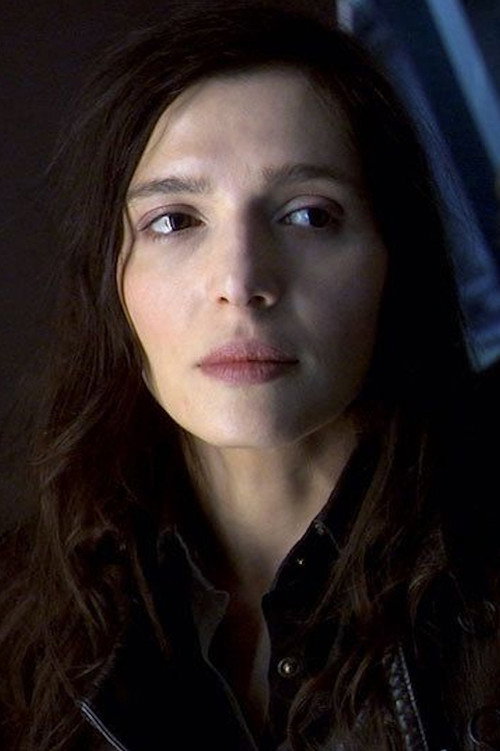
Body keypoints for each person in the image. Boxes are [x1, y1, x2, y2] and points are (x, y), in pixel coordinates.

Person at [0, 4, 498, 750]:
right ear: (111, 280)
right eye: (174, 220)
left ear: (393, 259)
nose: (240, 281)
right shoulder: (20, 620)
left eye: (308, 215)